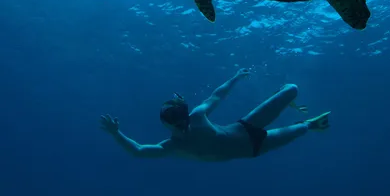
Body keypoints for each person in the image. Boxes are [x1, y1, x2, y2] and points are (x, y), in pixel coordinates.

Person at [99, 68, 330, 161]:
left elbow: (217, 96)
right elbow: (139, 151)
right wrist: (115, 134)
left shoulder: (197, 116)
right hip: (254, 148)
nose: (180, 122)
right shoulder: (173, 146)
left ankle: (279, 96)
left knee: (292, 89)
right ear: (166, 124)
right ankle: (309, 123)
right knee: (302, 128)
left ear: (186, 113)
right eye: (173, 119)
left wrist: (236, 77)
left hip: (245, 127)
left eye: (181, 115)